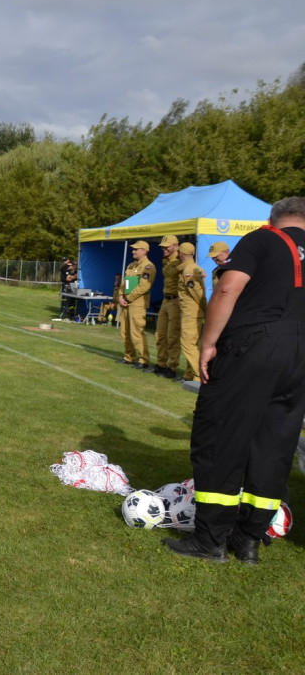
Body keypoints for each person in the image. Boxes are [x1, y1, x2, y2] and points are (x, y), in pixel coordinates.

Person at [163, 198, 305, 564]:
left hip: (254, 345)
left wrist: (208, 343)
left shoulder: (263, 238)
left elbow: (228, 288)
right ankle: (249, 541)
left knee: (219, 435)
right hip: (299, 355)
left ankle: (210, 540)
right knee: (275, 446)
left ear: (274, 218)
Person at [116, 240, 156, 369]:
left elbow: (144, 286)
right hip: (126, 302)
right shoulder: (131, 266)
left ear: (144, 251)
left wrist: (128, 298)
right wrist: (121, 296)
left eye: (136, 249)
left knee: (136, 332)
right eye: (133, 249)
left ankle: (144, 360)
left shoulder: (148, 266)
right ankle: (129, 356)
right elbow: (123, 283)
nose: (133, 251)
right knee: (125, 332)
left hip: (137, 304)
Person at [174, 242, 207, 386]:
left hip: (191, 311)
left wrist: (206, 308)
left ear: (181, 253)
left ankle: (199, 374)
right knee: (192, 343)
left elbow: (197, 292)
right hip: (191, 311)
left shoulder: (189, 270)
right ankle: (189, 374)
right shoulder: (191, 268)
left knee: (188, 343)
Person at [152, 235, 181, 379]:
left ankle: (172, 366)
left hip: (176, 301)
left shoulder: (181, 261)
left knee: (172, 336)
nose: (164, 249)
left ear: (176, 246)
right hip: (166, 300)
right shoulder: (165, 261)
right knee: (160, 334)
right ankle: (161, 363)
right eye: (163, 246)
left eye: (167, 246)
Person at [58, 256, 78, 320]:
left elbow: (70, 278)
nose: (64, 262)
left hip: (73, 287)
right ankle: (68, 312)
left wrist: (73, 276)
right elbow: (67, 278)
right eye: (63, 260)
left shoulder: (75, 269)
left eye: (65, 260)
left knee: (72, 301)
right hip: (67, 286)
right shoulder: (64, 267)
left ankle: (71, 313)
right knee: (67, 301)